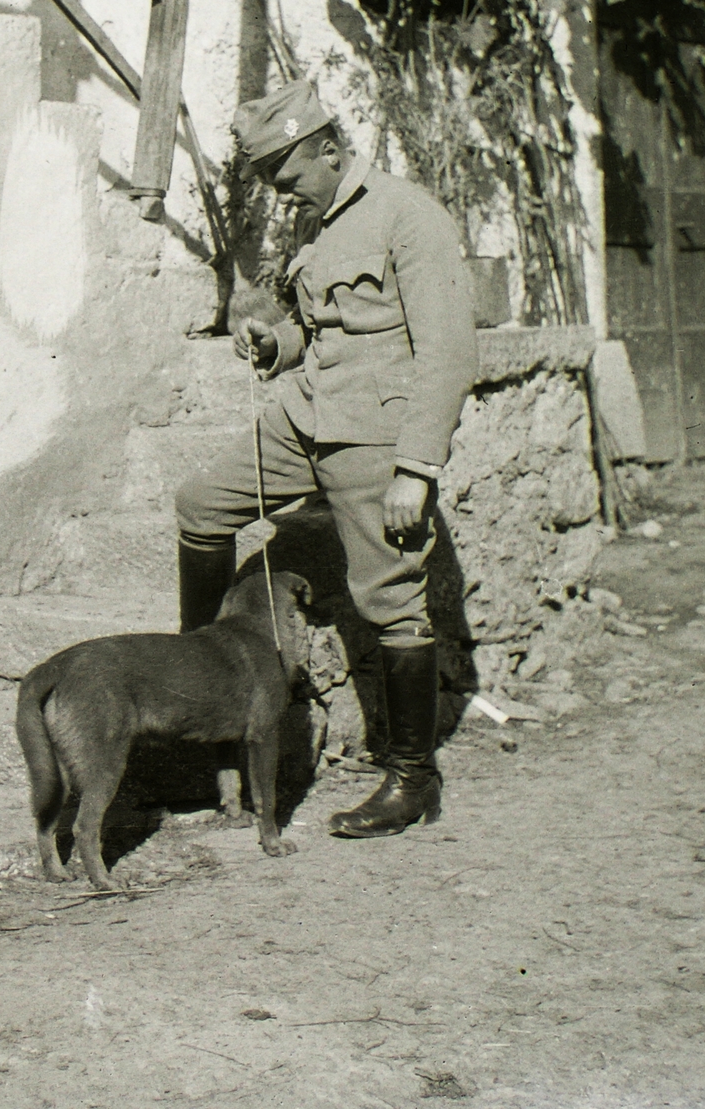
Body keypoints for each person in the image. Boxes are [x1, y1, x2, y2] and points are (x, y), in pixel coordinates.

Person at [174, 78, 478, 838]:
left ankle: (412, 777)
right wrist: (279, 343)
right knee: (201, 508)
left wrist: (417, 467)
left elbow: (448, 352)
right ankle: (205, 702)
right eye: (272, 182)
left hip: (375, 437)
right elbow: (329, 329)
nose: (282, 195)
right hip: (303, 418)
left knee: (389, 596)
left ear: (330, 148)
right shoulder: (317, 223)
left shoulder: (410, 217)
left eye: (289, 176)